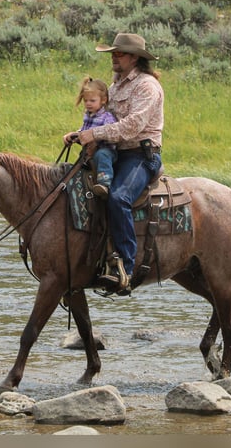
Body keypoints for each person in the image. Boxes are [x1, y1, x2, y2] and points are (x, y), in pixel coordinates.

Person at [72, 33, 164, 293]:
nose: (114, 56)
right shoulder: (115, 86)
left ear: (134, 57)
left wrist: (95, 135)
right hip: (112, 153)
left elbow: (134, 125)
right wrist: (80, 134)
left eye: (119, 53)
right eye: (113, 52)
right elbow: (102, 119)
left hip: (140, 155)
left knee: (118, 198)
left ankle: (125, 266)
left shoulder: (147, 86)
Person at [63, 76, 118, 198]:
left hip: (107, 151)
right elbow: (84, 131)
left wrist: (95, 137)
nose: (88, 104)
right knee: (82, 159)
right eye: (86, 100)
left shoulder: (107, 117)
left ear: (103, 100)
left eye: (92, 101)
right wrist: (73, 136)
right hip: (89, 151)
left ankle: (104, 182)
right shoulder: (88, 115)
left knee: (101, 155)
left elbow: (110, 134)